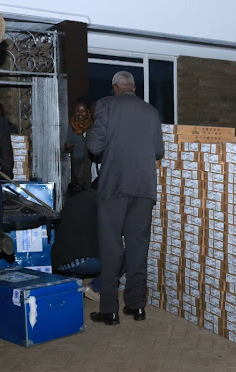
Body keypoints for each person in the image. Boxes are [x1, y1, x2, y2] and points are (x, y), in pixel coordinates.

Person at [86, 71, 164, 325]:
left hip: (114, 187)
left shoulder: (105, 106)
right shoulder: (151, 111)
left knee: (111, 247)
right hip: (144, 188)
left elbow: (94, 147)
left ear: (115, 88)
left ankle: (109, 310)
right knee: (138, 247)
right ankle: (136, 306)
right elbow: (158, 151)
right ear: (133, 87)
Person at [50, 181, 102, 302]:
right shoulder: (97, 199)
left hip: (59, 263)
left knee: (78, 253)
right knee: (123, 258)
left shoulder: (70, 204)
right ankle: (95, 287)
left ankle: (72, 291)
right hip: (81, 261)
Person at [65, 96, 94, 191]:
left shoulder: (92, 126)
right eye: (78, 111)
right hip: (75, 163)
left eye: (83, 111)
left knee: (88, 187)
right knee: (77, 187)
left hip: (89, 162)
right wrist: (68, 146)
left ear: (88, 112)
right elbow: (67, 143)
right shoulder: (71, 126)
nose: (80, 113)